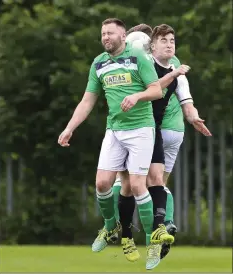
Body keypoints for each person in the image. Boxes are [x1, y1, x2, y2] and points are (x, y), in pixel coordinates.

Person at [57, 18, 173, 270]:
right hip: (115, 130)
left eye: (110, 33)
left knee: (138, 185)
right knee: (101, 183)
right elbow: (87, 101)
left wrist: (137, 95)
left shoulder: (138, 58)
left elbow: (156, 90)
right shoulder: (99, 63)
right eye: (103, 34)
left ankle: (152, 242)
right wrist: (69, 128)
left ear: (123, 36)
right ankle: (111, 227)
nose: (105, 37)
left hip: (141, 129)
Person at [108, 24, 211, 268]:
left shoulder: (145, 65)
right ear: (152, 44)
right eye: (164, 40)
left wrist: (193, 115)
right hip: (168, 131)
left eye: (171, 40)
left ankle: (124, 229)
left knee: (130, 183)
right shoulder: (169, 66)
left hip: (151, 130)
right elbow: (179, 98)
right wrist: (192, 115)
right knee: (155, 184)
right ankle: (157, 227)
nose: (168, 44)